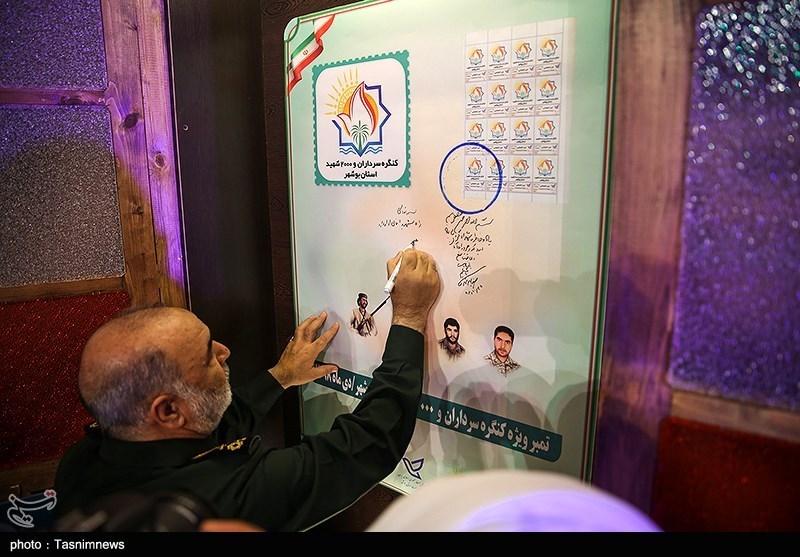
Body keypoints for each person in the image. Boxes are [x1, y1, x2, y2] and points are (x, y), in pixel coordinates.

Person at [53, 248, 440, 532]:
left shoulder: (86, 460)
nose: (224, 352)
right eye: (207, 355)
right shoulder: (224, 498)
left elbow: (202, 430)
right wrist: (408, 319)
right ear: (168, 411)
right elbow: (368, 445)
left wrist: (280, 376)